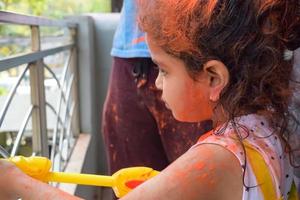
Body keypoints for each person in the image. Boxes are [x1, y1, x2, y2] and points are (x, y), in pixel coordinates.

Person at [0, 0, 299, 199]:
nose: (155, 83)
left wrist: (17, 182)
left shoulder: (218, 158)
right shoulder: (265, 124)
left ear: (213, 78)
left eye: (164, 70)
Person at [102, 0, 211, 175]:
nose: (158, 84)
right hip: (128, 52)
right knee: (129, 181)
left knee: (201, 177)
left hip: (193, 49)